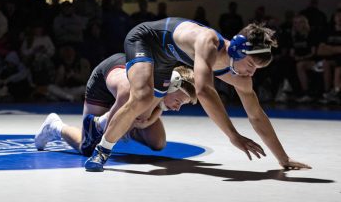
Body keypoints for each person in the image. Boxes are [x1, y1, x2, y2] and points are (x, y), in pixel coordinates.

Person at [85, 17, 312, 172]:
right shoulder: (208, 42)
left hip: (168, 59)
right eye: (251, 63)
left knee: (147, 115)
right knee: (142, 97)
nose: (251, 72)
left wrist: (283, 158)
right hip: (146, 40)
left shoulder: (241, 76)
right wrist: (233, 135)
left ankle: (103, 126)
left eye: (257, 69)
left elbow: (256, 115)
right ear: (237, 48)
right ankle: (101, 151)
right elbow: (204, 91)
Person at [35, 53, 197, 158]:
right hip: (104, 85)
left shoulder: (164, 84)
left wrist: (145, 122)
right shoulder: (133, 91)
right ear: (172, 86)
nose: (177, 108)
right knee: (86, 147)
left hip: (131, 84)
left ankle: (127, 126)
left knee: (158, 142)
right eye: (178, 101)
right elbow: (132, 103)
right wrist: (124, 124)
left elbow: (159, 107)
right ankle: (55, 126)